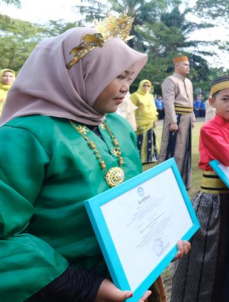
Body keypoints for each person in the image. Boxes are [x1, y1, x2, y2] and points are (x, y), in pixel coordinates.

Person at [0, 20, 190, 302]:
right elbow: (6, 239)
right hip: (60, 285)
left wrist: (159, 239)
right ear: (79, 73)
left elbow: (136, 199)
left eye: (129, 76)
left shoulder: (117, 125)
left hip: (129, 279)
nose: (126, 87)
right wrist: (87, 288)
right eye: (116, 75)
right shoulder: (23, 137)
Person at [171, 75, 229, 302]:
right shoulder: (209, 130)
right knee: (205, 260)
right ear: (212, 103)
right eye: (225, 99)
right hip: (212, 204)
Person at [159, 55, 195, 189]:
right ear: (176, 66)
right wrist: (173, 121)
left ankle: (183, 180)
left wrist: (193, 117)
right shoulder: (170, 80)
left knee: (185, 149)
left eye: (188, 65)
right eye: (185, 64)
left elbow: (190, 102)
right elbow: (168, 102)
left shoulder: (189, 82)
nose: (188, 67)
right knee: (172, 148)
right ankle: (167, 181)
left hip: (187, 118)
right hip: (177, 118)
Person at [130, 79, 160, 164]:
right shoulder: (135, 96)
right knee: (140, 140)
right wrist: (133, 122)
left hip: (150, 122)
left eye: (148, 86)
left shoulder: (150, 96)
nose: (146, 87)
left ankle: (150, 158)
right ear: (140, 86)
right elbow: (131, 110)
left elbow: (154, 109)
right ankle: (140, 159)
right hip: (139, 123)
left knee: (150, 139)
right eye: (144, 85)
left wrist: (155, 120)